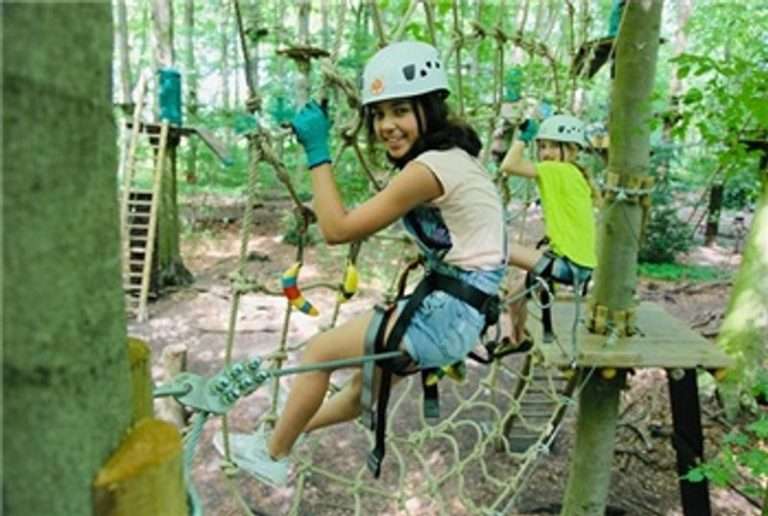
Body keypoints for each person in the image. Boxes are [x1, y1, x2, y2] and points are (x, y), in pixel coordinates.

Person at [215, 41, 508, 486]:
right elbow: (491, 240)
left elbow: (336, 229)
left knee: (318, 355)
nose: (386, 125)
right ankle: (281, 435)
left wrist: (318, 151)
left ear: (429, 108)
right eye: (378, 114)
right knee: (360, 391)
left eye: (400, 111)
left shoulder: (429, 169)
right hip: (462, 312)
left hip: (448, 314)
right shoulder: (455, 161)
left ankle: (272, 455)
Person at [499, 114, 599, 344]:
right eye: (542, 146)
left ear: (572, 150)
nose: (546, 152)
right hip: (574, 264)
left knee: (498, 248)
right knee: (515, 296)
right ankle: (518, 339)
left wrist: (525, 136)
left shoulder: (559, 171)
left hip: (569, 265)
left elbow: (509, 165)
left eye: (554, 146)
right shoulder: (572, 174)